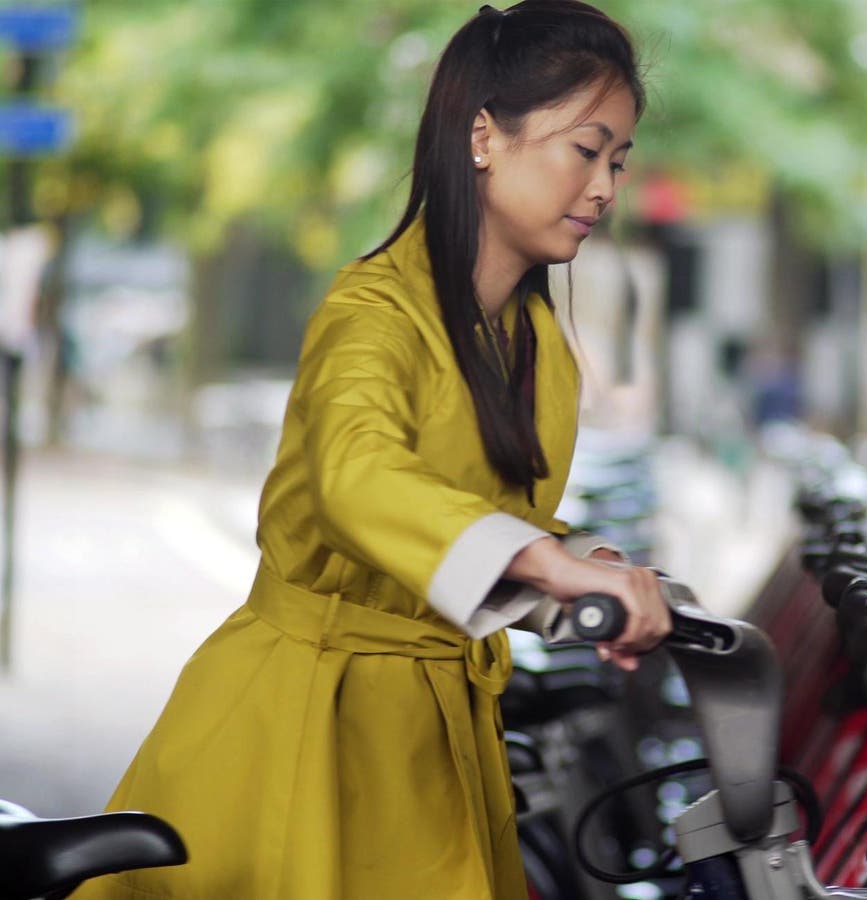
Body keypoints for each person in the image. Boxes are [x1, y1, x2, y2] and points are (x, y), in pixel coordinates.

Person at [76, 3, 670, 897]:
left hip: (435, 736)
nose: (604, 190)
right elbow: (360, 476)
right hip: (304, 727)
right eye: (585, 151)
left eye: (618, 162)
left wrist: (587, 571)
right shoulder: (371, 314)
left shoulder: (534, 343)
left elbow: (493, 527)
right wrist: (550, 564)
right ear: (484, 136)